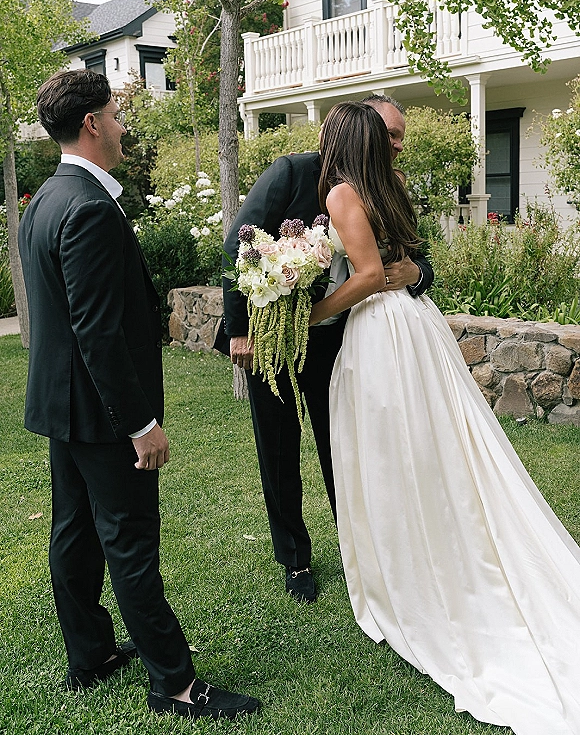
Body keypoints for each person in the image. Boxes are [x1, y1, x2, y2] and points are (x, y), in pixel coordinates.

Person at [310, 101, 580, 735]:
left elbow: (372, 273)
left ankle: (410, 567)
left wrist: (316, 310)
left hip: (381, 332)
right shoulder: (387, 188)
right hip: (418, 325)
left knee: (392, 449)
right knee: (440, 442)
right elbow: (404, 265)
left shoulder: (345, 193)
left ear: (339, 140)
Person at [18, 69, 260, 722]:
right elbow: (97, 333)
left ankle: (90, 655)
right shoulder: (90, 207)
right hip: (100, 413)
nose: (124, 126)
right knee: (127, 543)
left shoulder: (43, 199)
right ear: (93, 123)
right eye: (117, 113)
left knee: (73, 534)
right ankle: (175, 685)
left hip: (62, 405)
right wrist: (140, 424)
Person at [219, 96, 433, 603]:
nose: (398, 146)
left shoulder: (382, 189)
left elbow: (414, 258)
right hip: (273, 339)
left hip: (342, 341)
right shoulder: (292, 174)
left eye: (400, 136)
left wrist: (419, 275)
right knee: (278, 449)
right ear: (362, 133)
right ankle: (294, 560)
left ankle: (355, 541)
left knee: (343, 446)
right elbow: (236, 245)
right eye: (392, 135)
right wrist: (238, 329)